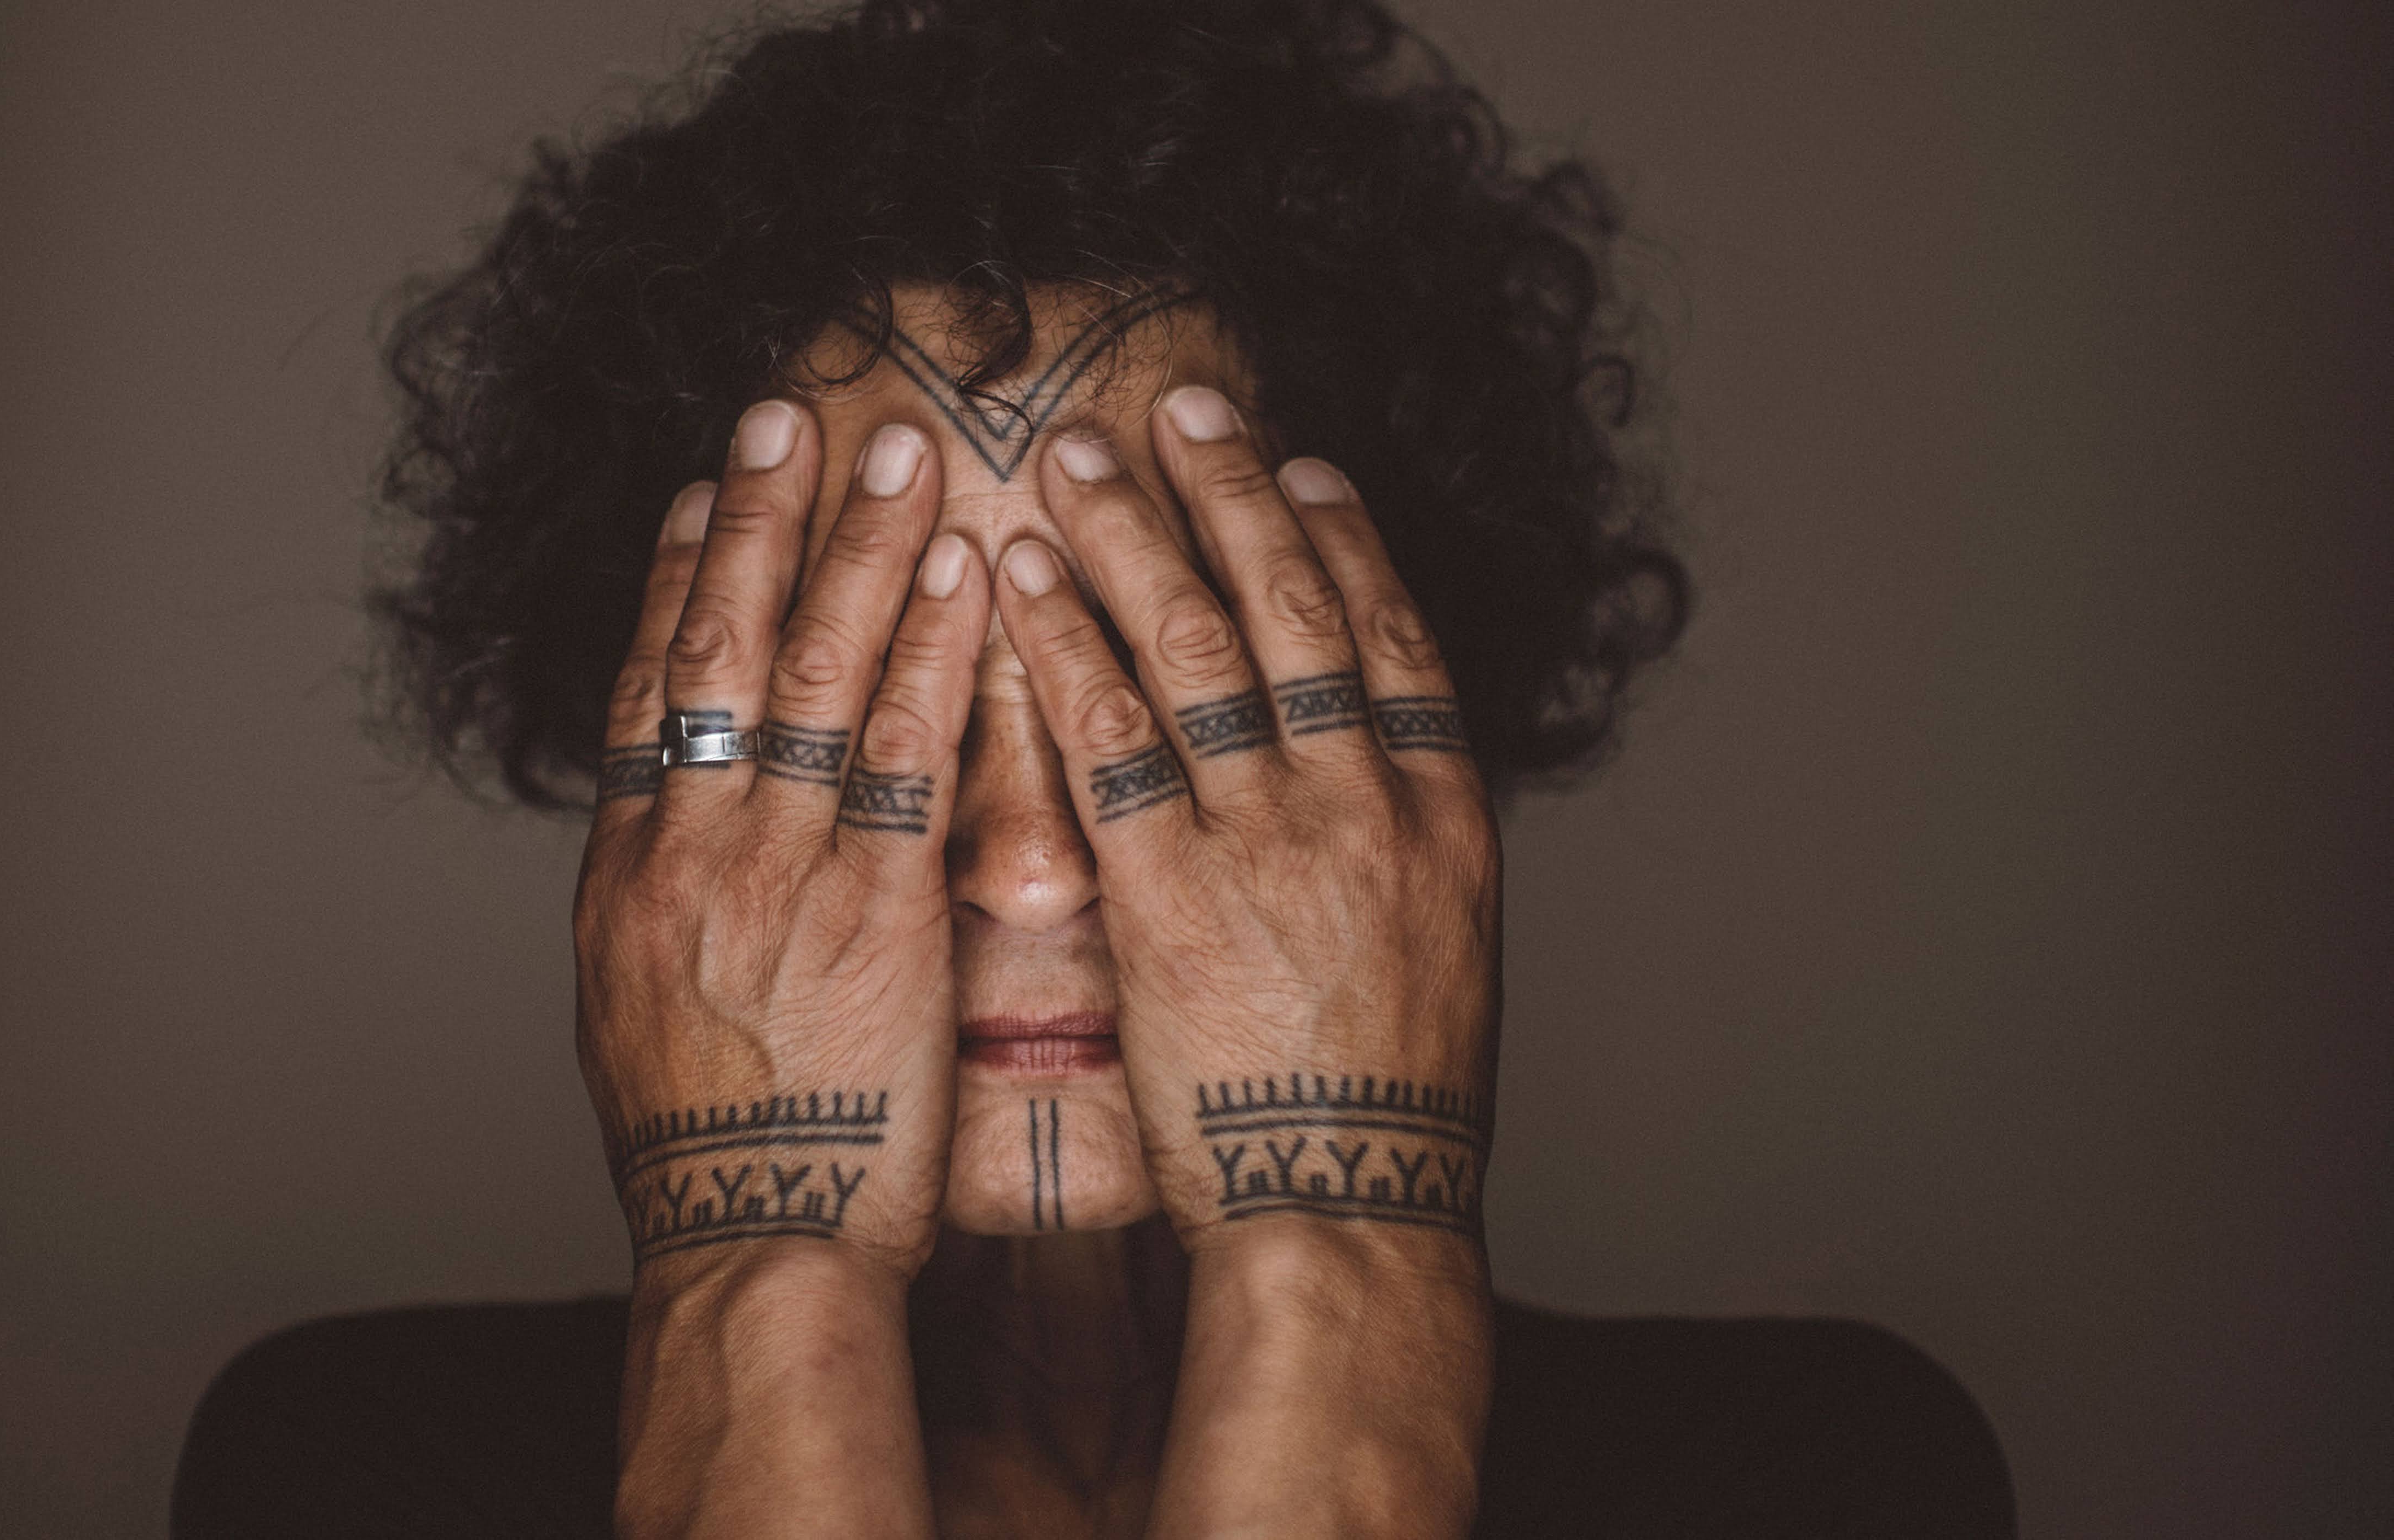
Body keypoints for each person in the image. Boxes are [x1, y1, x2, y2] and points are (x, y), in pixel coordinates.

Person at [173, 0, 2015, 1533]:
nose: (1033, 866)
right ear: (672, 725)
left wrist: (1349, 1282)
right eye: (875, 700)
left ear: (1396, 710)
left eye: (1151, 685)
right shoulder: (342, 1473)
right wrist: (754, 1297)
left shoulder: (1827, 1478)